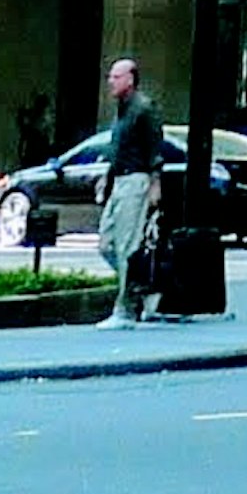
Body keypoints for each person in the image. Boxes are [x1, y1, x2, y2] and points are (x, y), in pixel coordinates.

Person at [98, 57, 167, 320]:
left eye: (115, 77)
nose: (110, 82)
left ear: (130, 79)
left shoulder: (144, 108)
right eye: (110, 77)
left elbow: (154, 149)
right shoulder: (122, 109)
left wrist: (154, 184)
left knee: (128, 246)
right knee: (106, 243)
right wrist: (108, 176)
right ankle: (139, 287)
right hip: (119, 180)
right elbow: (118, 149)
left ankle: (125, 309)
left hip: (136, 182)